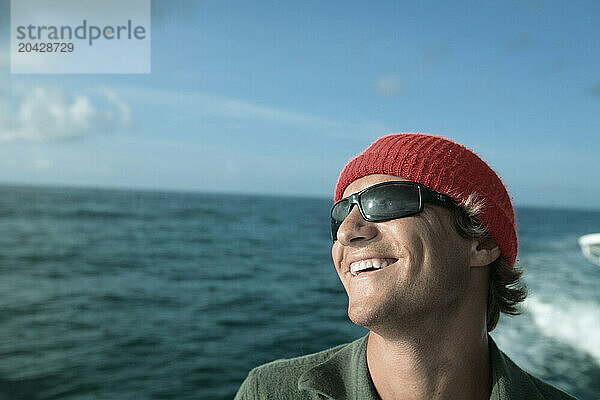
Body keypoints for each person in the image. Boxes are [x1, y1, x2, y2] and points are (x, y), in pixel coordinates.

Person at [234, 133, 576, 400]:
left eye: (385, 201)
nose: (348, 232)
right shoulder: (267, 392)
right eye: (340, 215)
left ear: (481, 242)